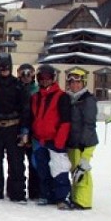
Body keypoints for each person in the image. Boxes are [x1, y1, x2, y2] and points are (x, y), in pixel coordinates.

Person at [0, 53, 31, 202]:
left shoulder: (18, 85)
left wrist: (24, 130)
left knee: (16, 162)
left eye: (6, 67)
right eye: (1, 67)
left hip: (14, 127)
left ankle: (17, 192)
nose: (4, 69)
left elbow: (26, 109)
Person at [30, 64, 73, 209]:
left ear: (53, 78)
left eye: (48, 78)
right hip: (40, 139)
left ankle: (62, 197)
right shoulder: (36, 96)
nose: (45, 80)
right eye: (42, 78)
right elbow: (33, 117)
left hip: (55, 140)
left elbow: (66, 121)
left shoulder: (62, 96)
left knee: (59, 169)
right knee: (42, 169)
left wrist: (60, 141)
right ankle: (46, 194)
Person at [66, 68, 98, 210]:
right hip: (73, 142)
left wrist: (83, 143)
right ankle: (76, 196)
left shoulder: (87, 99)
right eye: (72, 82)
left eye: (78, 82)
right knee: (74, 170)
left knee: (82, 170)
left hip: (85, 142)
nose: (74, 85)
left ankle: (84, 201)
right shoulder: (71, 98)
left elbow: (89, 123)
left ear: (83, 83)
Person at [17, 63, 41, 200]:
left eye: (29, 73)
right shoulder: (16, 88)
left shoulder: (37, 91)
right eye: (22, 73)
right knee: (17, 163)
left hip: (33, 130)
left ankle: (35, 191)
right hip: (17, 127)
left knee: (34, 162)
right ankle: (18, 190)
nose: (25, 76)